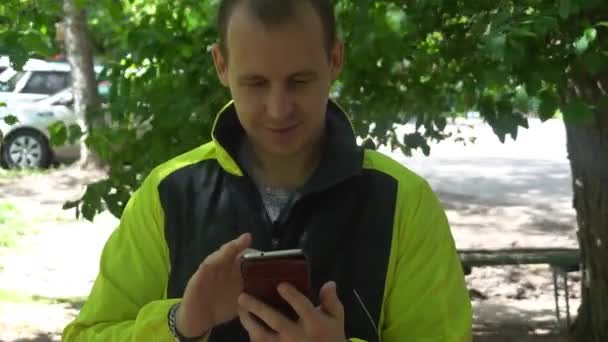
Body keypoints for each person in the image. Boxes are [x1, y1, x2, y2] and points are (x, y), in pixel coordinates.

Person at [62, 0, 472, 341]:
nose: (278, 109)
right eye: (256, 83)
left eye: (299, 81)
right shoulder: (170, 193)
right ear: (221, 65)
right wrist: (180, 324)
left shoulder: (403, 201)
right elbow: (87, 334)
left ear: (335, 59)